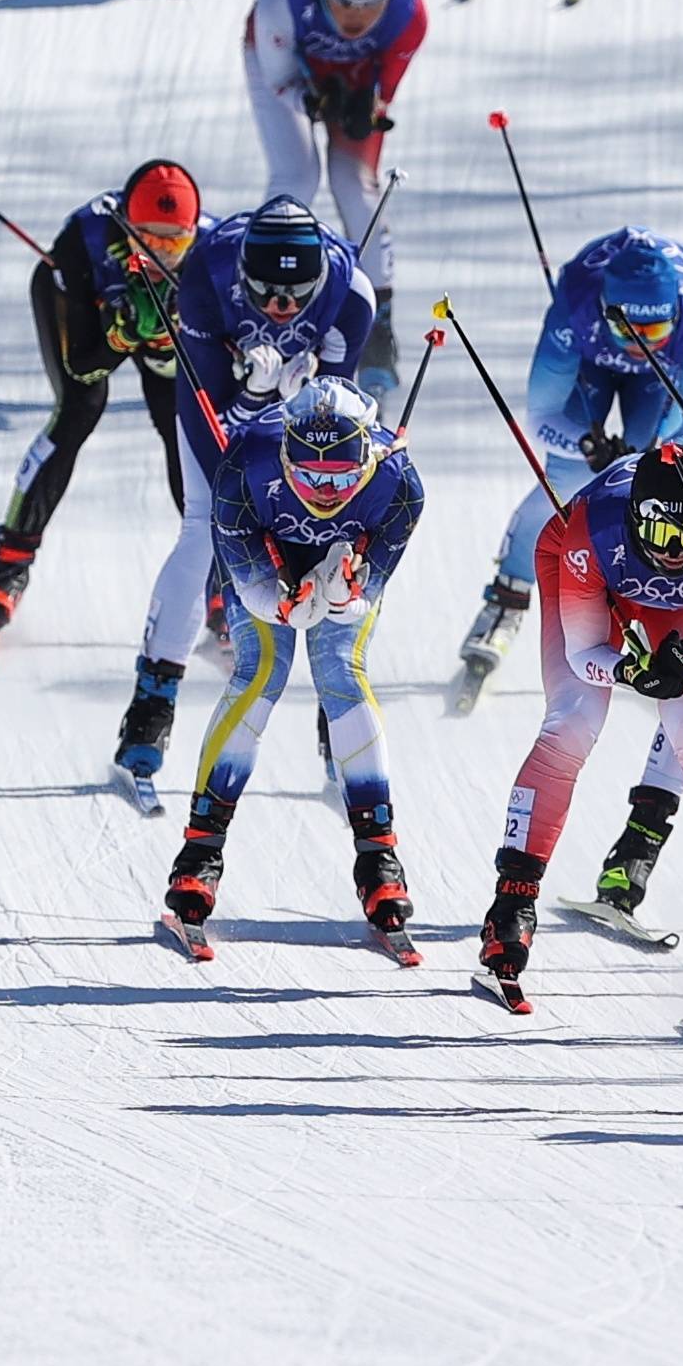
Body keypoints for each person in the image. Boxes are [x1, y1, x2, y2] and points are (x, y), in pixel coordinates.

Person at [472, 441, 683, 1014]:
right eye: (661, 539)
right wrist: (631, 667)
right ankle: (512, 905)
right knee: (572, 721)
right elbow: (585, 655)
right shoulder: (594, 525)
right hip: (593, 579)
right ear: (637, 522)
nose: (676, 554)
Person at [110, 197, 380, 795]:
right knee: (205, 525)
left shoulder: (351, 295)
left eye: (295, 298)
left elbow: (337, 420)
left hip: (295, 407)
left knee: (333, 542)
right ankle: (150, 710)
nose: (282, 310)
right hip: (225, 399)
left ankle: (338, 730)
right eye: (267, 297)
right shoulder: (206, 275)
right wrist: (257, 396)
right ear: (242, 280)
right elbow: (217, 427)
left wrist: (307, 393)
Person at [158, 377, 429, 963]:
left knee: (342, 672)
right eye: (309, 475)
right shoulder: (246, 458)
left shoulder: (401, 482)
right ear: (284, 453)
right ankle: (200, 854)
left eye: (338, 477)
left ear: (369, 455)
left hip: (341, 568)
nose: (325, 491)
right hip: (267, 561)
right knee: (260, 674)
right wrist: (279, 600)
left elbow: (370, 584)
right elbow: (241, 566)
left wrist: (346, 591)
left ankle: (379, 855)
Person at [454, 228, 683, 700]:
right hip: (589, 361)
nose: (641, 344)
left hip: (656, 380)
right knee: (568, 478)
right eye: (629, 330)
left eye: (655, 331)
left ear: (675, 316)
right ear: (606, 313)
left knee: (656, 493)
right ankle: (507, 596)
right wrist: (585, 445)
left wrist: (647, 461)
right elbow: (541, 418)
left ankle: (652, 605)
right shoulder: (576, 307)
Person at [0, 160, 198, 658]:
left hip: (151, 328)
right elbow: (83, 367)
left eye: (175, 242)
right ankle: (7, 570)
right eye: (151, 240)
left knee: (184, 426)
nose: (162, 253)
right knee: (79, 410)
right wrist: (123, 333)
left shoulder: (213, 256)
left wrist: (160, 344)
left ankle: (221, 579)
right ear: (129, 231)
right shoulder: (85, 242)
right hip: (82, 300)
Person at [242, 0, 420, 374]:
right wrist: (313, 99)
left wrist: (367, 108)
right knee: (297, 177)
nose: (356, 16)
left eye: (371, 3)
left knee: (354, 183)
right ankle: (254, 303)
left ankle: (378, 321)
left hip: (355, 76)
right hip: (286, 69)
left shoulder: (408, 12)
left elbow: (383, 91)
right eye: (341, 1)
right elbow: (278, 79)